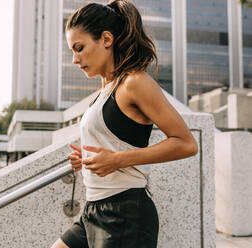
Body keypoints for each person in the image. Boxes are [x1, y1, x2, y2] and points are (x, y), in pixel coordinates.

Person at [51, 0, 198, 247]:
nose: (75, 60)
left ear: (106, 39)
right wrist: (87, 160)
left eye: (79, 48)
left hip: (125, 214)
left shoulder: (134, 82)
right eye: (72, 51)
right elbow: (115, 141)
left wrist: (116, 160)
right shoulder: (104, 90)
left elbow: (186, 143)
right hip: (93, 210)